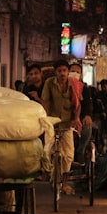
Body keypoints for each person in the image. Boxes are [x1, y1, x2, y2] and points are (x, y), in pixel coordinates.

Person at [41, 59, 80, 195]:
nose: (62, 73)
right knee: (48, 150)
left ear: (68, 72)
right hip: (52, 122)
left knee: (68, 155)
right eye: (59, 71)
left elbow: (77, 105)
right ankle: (50, 173)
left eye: (64, 70)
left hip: (67, 123)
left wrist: (75, 120)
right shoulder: (49, 83)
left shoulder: (73, 85)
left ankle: (64, 183)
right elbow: (45, 102)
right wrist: (46, 119)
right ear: (55, 72)